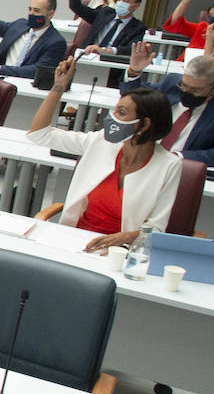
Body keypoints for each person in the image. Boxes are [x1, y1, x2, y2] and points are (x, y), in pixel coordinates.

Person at [27, 56, 181, 251]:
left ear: (145, 124)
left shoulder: (168, 165)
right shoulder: (101, 142)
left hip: (122, 251)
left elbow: (156, 229)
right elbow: (40, 134)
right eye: (115, 111)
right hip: (75, 240)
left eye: (121, 113)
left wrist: (124, 239)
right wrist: (58, 87)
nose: (112, 118)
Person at [121, 46, 214, 167]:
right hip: (143, 155)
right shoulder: (173, 82)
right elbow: (134, 99)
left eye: (195, 90)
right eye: (184, 85)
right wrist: (134, 71)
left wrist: (175, 157)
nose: (186, 91)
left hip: (181, 165)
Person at [68, 0, 145, 59]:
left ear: (136, 5)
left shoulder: (137, 27)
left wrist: (106, 51)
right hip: (87, 56)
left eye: (126, 1)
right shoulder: (105, 13)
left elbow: (131, 49)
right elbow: (76, 6)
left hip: (110, 62)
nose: (121, 3)